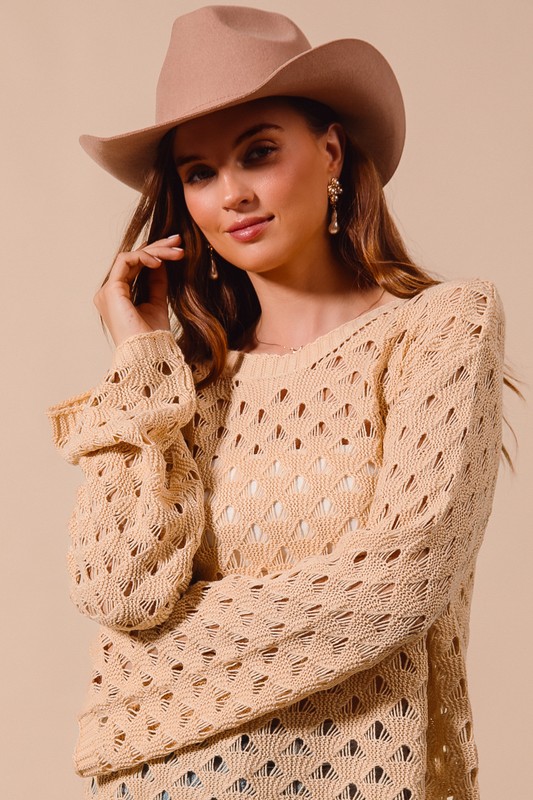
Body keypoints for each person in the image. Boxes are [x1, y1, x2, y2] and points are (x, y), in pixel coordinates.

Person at [46, 6, 515, 800]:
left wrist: (131, 682)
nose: (231, 195)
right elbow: (118, 589)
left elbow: (396, 587)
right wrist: (139, 355)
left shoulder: (440, 329)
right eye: (199, 173)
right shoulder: (180, 383)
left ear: (330, 151)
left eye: (258, 153)